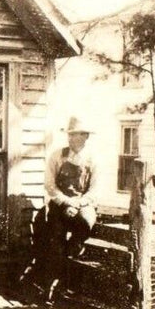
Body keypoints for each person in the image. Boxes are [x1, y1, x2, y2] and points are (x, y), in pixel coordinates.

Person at [38, 115, 100, 294]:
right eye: (70, 134)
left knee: (86, 223)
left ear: (86, 136)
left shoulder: (93, 159)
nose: (72, 138)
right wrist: (66, 202)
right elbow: (49, 185)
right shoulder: (57, 155)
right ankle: (50, 287)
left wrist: (78, 203)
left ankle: (69, 271)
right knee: (55, 241)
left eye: (77, 135)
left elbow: (95, 189)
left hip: (83, 204)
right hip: (60, 203)